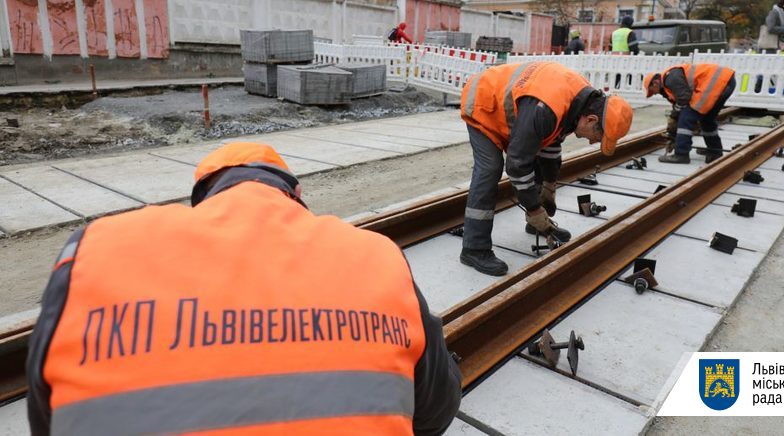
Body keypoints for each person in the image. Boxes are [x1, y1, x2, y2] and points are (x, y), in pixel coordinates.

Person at [26, 142, 461, 435]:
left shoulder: (94, 248)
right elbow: (436, 411)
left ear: (203, 195)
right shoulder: (377, 254)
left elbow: (45, 414)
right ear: (296, 194)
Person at [459, 62, 634, 276]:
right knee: (490, 170)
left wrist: (550, 186)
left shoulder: (581, 100)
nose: (591, 143)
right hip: (483, 105)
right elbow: (516, 165)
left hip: (519, 110)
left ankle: (537, 226)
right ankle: (474, 249)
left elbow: (550, 145)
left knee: (536, 154)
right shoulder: (546, 108)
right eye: (597, 138)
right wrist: (534, 208)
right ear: (591, 119)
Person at [644, 63, 736, 164]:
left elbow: (684, 98)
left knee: (686, 117)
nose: (657, 94)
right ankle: (715, 151)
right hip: (726, 81)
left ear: (655, 83)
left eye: (654, 91)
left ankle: (681, 154)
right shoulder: (670, 82)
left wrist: (675, 117)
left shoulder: (670, 78)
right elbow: (680, 102)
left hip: (717, 81)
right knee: (707, 119)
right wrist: (673, 133)